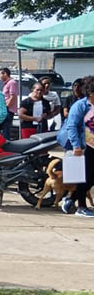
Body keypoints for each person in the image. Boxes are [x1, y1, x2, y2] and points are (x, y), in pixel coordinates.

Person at [58, 75, 94, 218]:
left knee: (91, 177)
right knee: (84, 176)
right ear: (90, 93)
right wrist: (76, 146)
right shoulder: (80, 106)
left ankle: (70, 199)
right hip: (83, 146)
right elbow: (72, 126)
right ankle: (81, 207)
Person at [0, 67, 20, 137]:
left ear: (5, 74)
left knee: (6, 130)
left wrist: (6, 107)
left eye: (0, 74)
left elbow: (13, 96)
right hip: (5, 109)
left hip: (8, 110)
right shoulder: (7, 83)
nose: (0, 77)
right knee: (3, 129)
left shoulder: (12, 83)